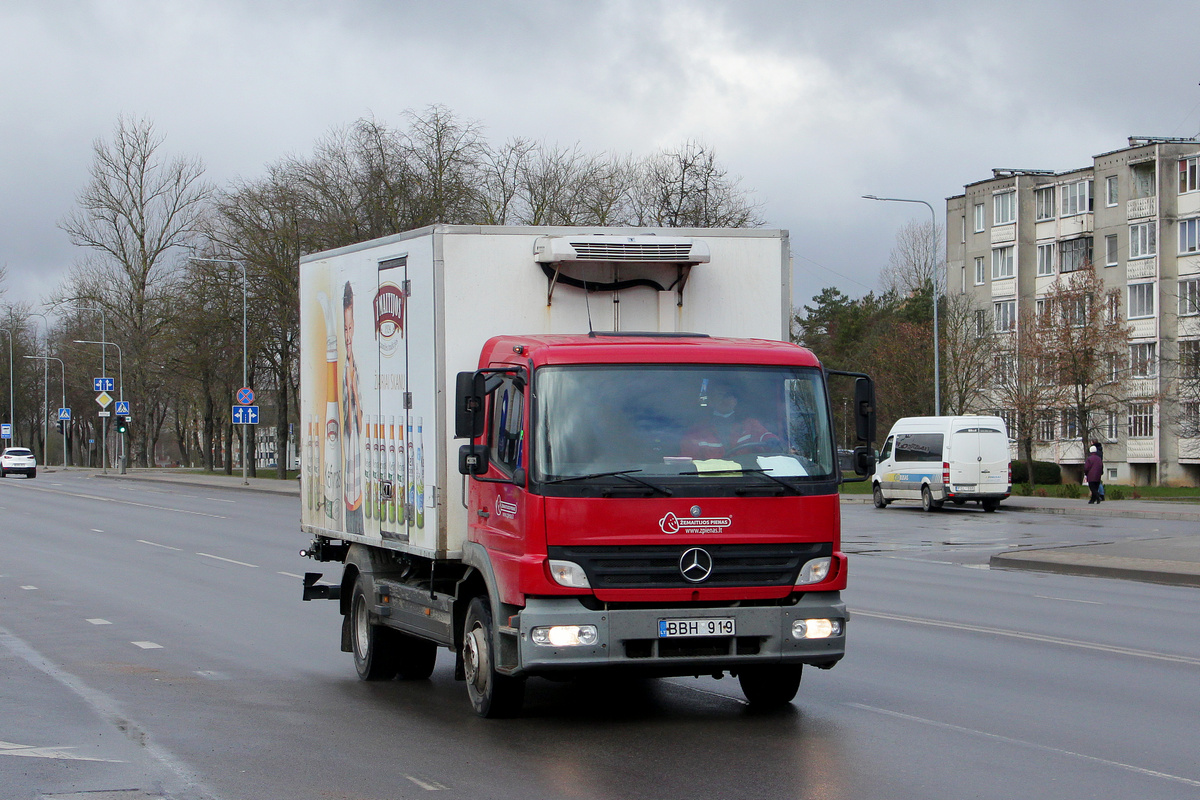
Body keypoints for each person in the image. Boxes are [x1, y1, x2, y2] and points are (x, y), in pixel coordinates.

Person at [681, 380, 781, 460]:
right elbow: (689, 464)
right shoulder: (697, 430)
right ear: (711, 400)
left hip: (749, 479)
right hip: (712, 481)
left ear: (736, 401)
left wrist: (771, 440)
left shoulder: (750, 424)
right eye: (720, 395)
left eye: (729, 395)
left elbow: (763, 436)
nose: (726, 399)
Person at [341, 281, 365, 534]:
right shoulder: (345, 373)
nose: (348, 335)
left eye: (350, 327)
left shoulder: (356, 369)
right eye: (344, 329)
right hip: (350, 468)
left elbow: (359, 417)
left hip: (359, 465)